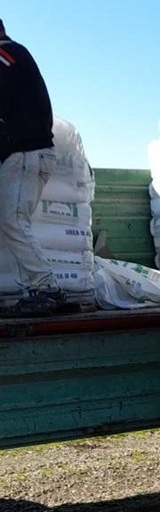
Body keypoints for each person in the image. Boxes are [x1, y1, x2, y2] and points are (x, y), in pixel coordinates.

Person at [0, 18, 65, 317]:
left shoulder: (5, 54)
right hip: (31, 154)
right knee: (14, 223)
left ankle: (45, 288)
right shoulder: (15, 55)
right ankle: (35, 289)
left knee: (13, 221)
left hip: (24, 154)